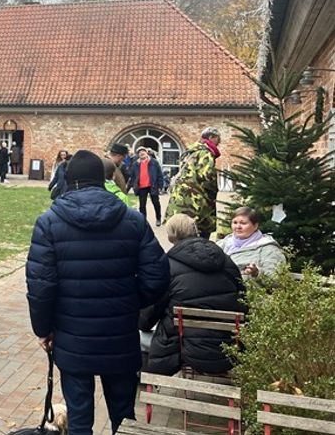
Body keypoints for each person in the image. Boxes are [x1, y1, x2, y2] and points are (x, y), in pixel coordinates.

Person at [26, 149, 170, 435]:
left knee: (79, 418)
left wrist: (43, 329)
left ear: (69, 179)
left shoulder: (50, 222)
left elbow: (41, 285)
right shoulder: (132, 220)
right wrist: (130, 302)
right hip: (119, 332)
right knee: (123, 415)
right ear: (103, 179)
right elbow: (158, 276)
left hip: (72, 334)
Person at [140, 214, 245, 376]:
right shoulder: (226, 261)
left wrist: (142, 324)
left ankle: (144, 381)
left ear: (170, 236)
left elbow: (151, 312)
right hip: (228, 346)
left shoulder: (167, 266)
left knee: (137, 334)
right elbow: (243, 299)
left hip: (181, 347)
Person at [165, 127, 222, 239]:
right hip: (196, 201)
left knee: (182, 231)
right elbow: (207, 177)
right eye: (218, 139)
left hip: (180, 199)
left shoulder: (190, 152)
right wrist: (214, 192)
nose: (219, 143)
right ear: (211, 138)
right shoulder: (205, 153)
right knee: (199, 233)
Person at [216, 207, 287, 281]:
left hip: (244, 290)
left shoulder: (269, 249)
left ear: (255, 226)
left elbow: (277, 280)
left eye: (243, 223)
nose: (238, 227)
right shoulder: (223, 243)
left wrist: (256, 273)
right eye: (235, 223)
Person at [128, 147, 164, 226]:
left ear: (146, 152)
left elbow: (160, 175)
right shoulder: (135, 164)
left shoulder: (154, 162)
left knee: (156, 203)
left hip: (152, 185)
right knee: (142, 205)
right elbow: (133, 176)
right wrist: (129, 187)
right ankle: (143, 221)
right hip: (141, 187)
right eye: (139, 152)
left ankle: (158, 218)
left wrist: (160, 186)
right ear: (138, 154)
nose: (141, 153)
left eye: (143, 151)